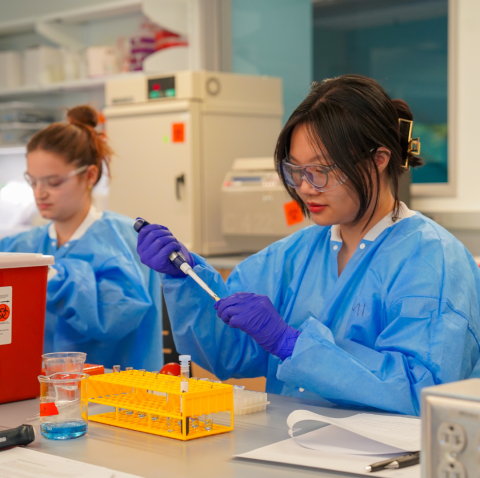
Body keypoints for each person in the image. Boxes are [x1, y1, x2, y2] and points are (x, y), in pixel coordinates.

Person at [136, 75, 480, 415]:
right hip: (288, 448)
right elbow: (228, 351)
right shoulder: (291, 256)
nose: (305, 187)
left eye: (320, 171)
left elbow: (424, 390)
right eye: (295, 171)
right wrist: (185, 276)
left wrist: (293, 344)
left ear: (379, 159)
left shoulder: (433, 260)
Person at [0, 105, 163, 371]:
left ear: (89, 175)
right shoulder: (21, 246)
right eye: (33, 181)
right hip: (36, 395)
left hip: (115, 399)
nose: (40, 194)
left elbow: (114, 316)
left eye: (53, 183)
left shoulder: (122, 241)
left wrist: (49, 277)